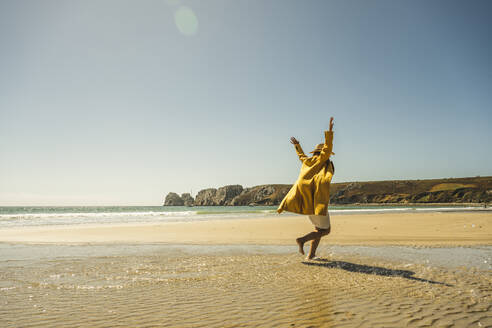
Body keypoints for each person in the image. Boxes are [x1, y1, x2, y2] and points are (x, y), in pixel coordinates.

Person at [277, 117, 335, 260]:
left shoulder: (308, 161)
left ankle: (311, 255)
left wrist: (297, 145)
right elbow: (327, 148)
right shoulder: (321, 160)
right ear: (321, 153)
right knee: (326, 230)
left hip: (308, 199)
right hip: (316, 200)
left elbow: (301, 156)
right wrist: (329, 131)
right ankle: (302, 240)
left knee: (318, 230)